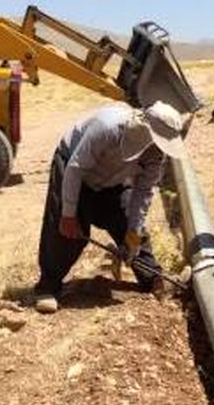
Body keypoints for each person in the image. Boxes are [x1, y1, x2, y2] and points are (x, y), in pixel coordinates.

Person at [34, 101, 186, 314]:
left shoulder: (156, 154)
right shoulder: (108, 127)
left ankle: (153, 278)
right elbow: (75, 169)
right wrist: (68, 214)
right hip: (73, 169)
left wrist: (133, 233)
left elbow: (142, 194)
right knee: (66, 231)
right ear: (146, 130)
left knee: (129, 228)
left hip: (113, 181)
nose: (159, 147)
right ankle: (47, 287)